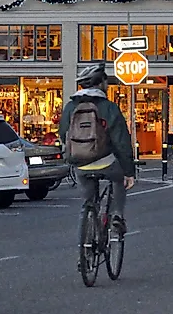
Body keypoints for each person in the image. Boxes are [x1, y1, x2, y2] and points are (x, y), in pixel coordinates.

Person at [59, 62, 136, 241]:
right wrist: (129, 171)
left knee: (87, 203)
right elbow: (121, 141)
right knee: (118, 180)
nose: (107, 85)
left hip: (80, 163)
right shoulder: (108, 107)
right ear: (100, 83)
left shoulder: (71, 107)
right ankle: (117, 215)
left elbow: (64, 133)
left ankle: (85, 250)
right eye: (106, 81)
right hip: (106, 161)